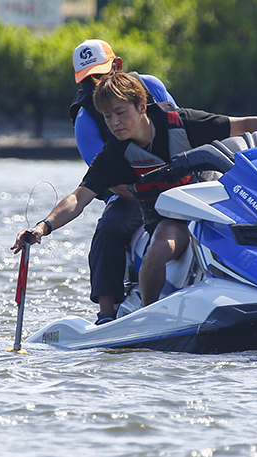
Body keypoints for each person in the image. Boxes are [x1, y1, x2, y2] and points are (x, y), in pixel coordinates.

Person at [12, 72, 257, 313]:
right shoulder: (115, 155)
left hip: (219, 205)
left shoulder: (181, 122)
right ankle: (149, 313)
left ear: (142, 107)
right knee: (158, 251)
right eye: (107, 117)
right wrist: (43, 227)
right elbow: (79, 197)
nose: (114, 123)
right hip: (171, 217)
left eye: (120, 113)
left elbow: (245, 125)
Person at [69, 40, 178, 325]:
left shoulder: (152, 87)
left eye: (101, 75)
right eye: (88, 80)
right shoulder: (85, 120)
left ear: (117, 66)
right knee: (110, 229)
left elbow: (180, 131)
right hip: (130, 195)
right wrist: (153, 197)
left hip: (178, 182)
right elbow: (108, 182)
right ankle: (107, 314)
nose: (96, 85)